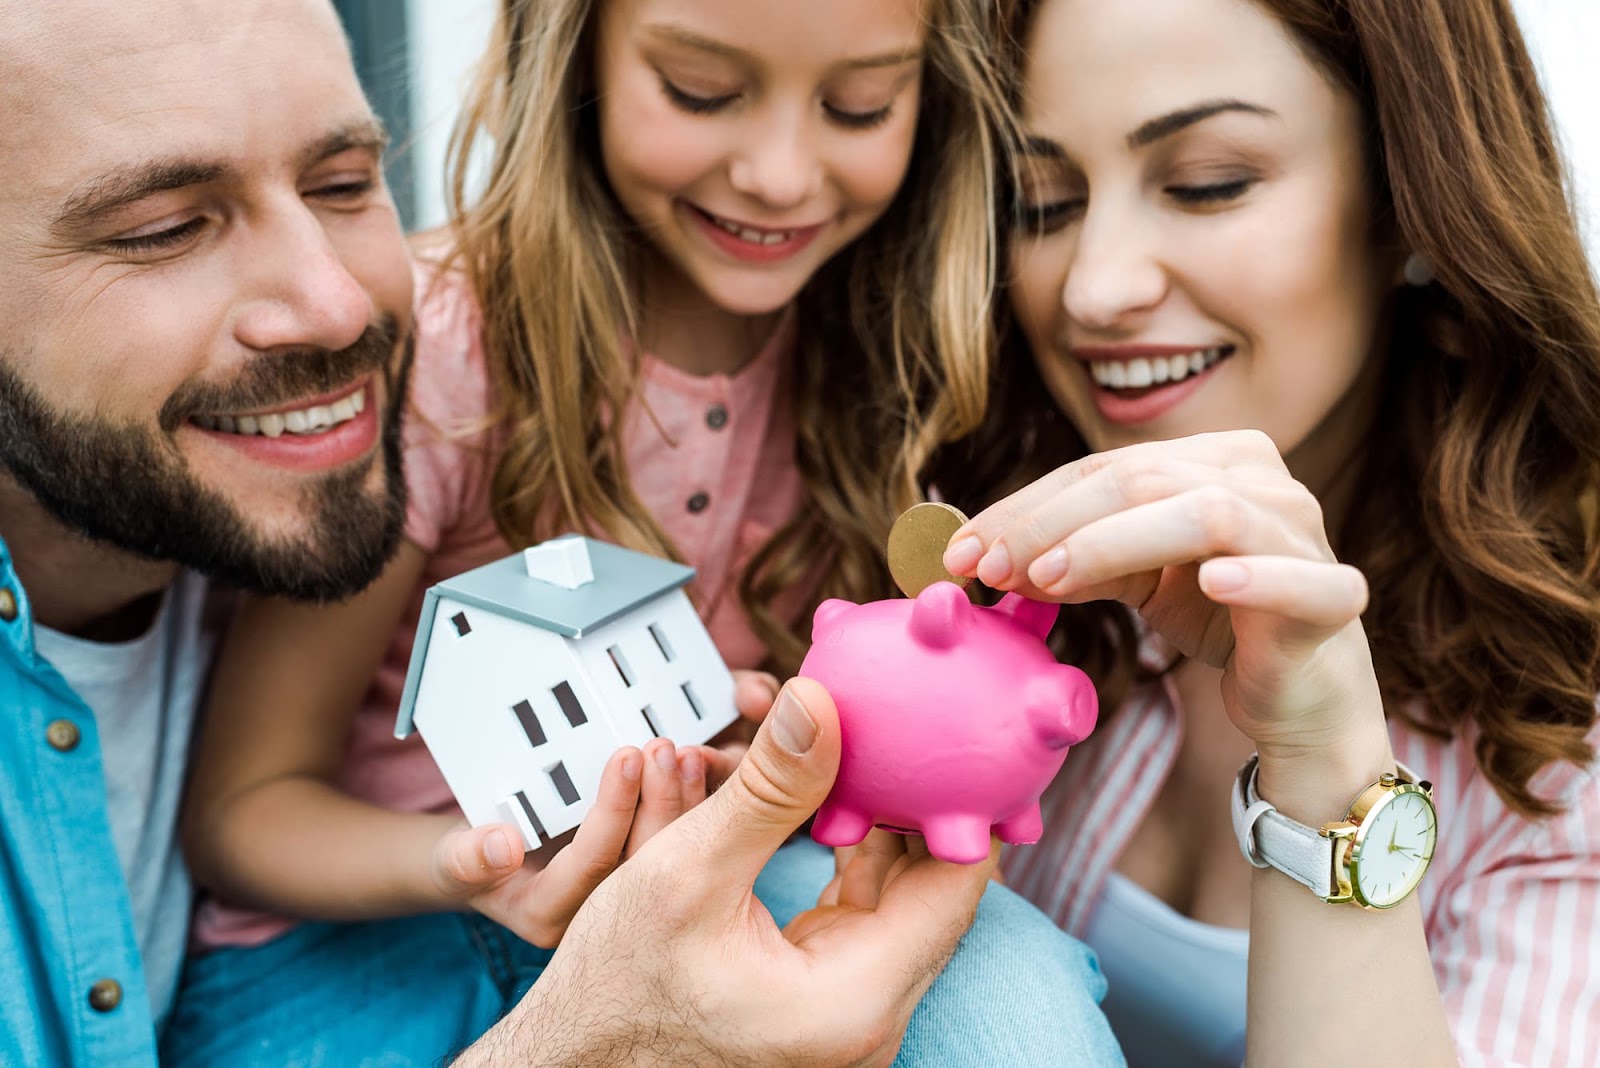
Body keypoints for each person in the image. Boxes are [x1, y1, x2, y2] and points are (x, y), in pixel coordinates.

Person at [0, 2, 1118, 1066]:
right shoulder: (437, 357)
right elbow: (245, 814)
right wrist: (468, 866)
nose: (779, 173)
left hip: (699, 894)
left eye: (860, 107)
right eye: (699, 90)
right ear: (576, 57)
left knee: (1011, 998)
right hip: (358, 941)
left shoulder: (895, 366)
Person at [935, 0, 1600, 1063]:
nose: (1096, 288)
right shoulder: (1014, 590)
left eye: (1207, 184)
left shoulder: (1566, 749)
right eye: (1043, 201)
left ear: (1410, 203)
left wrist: (1326, 758)